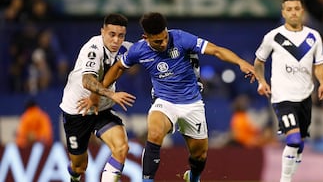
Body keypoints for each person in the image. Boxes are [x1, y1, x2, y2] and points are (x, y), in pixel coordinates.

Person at [84, 12, 256, 182]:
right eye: (158, 41)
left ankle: (193, 177)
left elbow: (216, 51)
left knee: (199, 156)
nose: (164, 43)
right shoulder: (139, 50)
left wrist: (240, 62)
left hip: (192, 104)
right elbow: (118, 68)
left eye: (165, 37)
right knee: (155, 132)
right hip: (164, 101)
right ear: (146, 37)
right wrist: (96, 93)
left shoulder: (181, 38)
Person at [253, 0, 323, 182]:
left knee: (300, 144)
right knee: (293, 140)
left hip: (305, 97)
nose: (293, 13)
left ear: (302, 11)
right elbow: (258, 61)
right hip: (282, 97)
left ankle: (290, 177)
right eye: (289, 9)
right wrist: (261, 81)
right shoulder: (273, 37)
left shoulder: (313, 37)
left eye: (296, 9)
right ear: (283, 12)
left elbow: (318, 64)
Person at [59, 13, 136, 182]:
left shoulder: (126, 47)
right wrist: (111, 94)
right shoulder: (93, 49)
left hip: (102, 109)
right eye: (112, 34)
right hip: (78, 110)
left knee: (121, 148)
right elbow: (87, 80)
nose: (116, 40)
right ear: (103, 32)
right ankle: (73, 175)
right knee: (80, 166)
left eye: (121, 36)